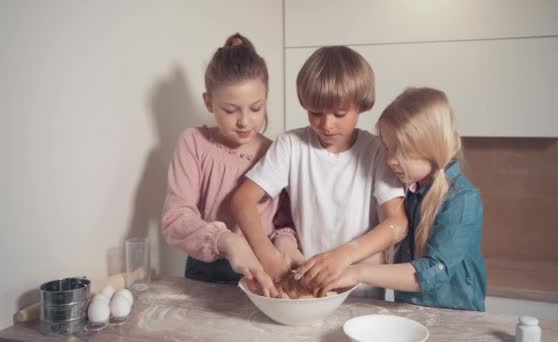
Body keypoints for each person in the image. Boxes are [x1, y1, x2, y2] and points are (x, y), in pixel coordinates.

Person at [232, 46, 408, 298]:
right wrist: (269, 257)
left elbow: (397, 223)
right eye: (315, 113)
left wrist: (344, 256)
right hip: (306, 293)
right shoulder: (290, 146)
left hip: (361, 295)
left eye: (339, 114)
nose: (326, 124)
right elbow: (242, 201)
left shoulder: (377, 151)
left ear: (361, 106)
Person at [320, 87, 486, 311]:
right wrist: (337, 268)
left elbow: (432, 271)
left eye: (400, 151)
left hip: (458, 319)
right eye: (387, 148)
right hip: (411, 312)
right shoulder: (407, 190)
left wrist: (357, 272)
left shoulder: (463, 200)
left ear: (431, 147)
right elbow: (395, 256)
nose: (390, 160)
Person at [161, 33, 302, 292]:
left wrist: (285, 245)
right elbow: (176, 219)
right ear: (209, 102)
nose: (244, 121)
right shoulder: (193, 143)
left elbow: (285, 223)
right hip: (206, 270)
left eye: (256, 108)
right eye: (230, 110)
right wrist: (228, 241)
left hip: (264, 270)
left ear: (266, 99)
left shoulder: (275, 151)